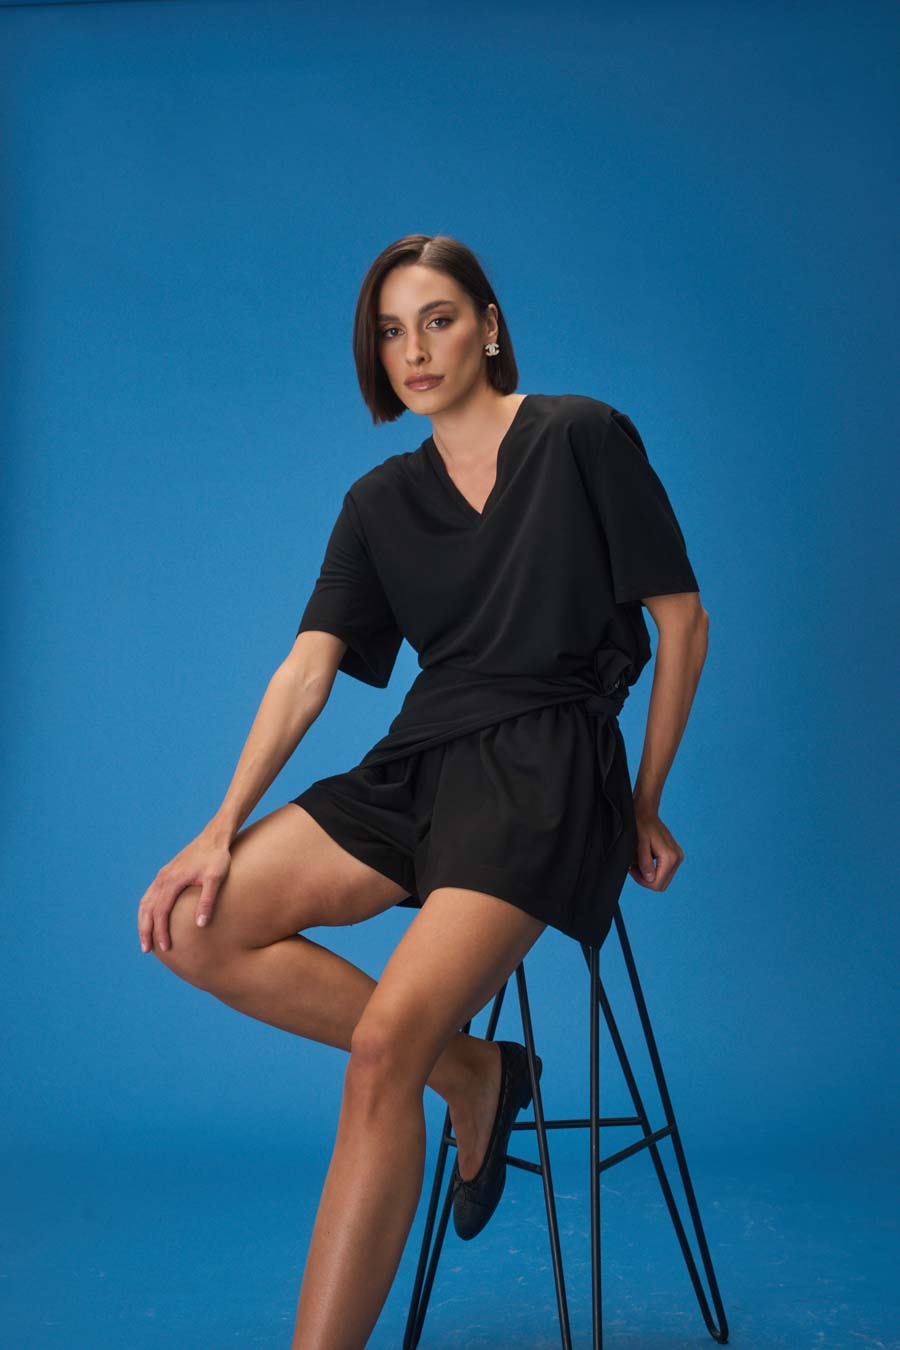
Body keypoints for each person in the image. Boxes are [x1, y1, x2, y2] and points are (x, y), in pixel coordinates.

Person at [136, 233, 709, 1349]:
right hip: (422, 761)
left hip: (548, 773)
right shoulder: (379, 498)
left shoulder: (583, 436)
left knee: (379, 1056)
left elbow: (681, 622)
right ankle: (477, 1071)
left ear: (489, 325)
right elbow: (306, 670)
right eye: (392, 332)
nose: (415, 350)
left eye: (438, 319)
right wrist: (217, 828)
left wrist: (643, 801)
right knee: (195, 926)